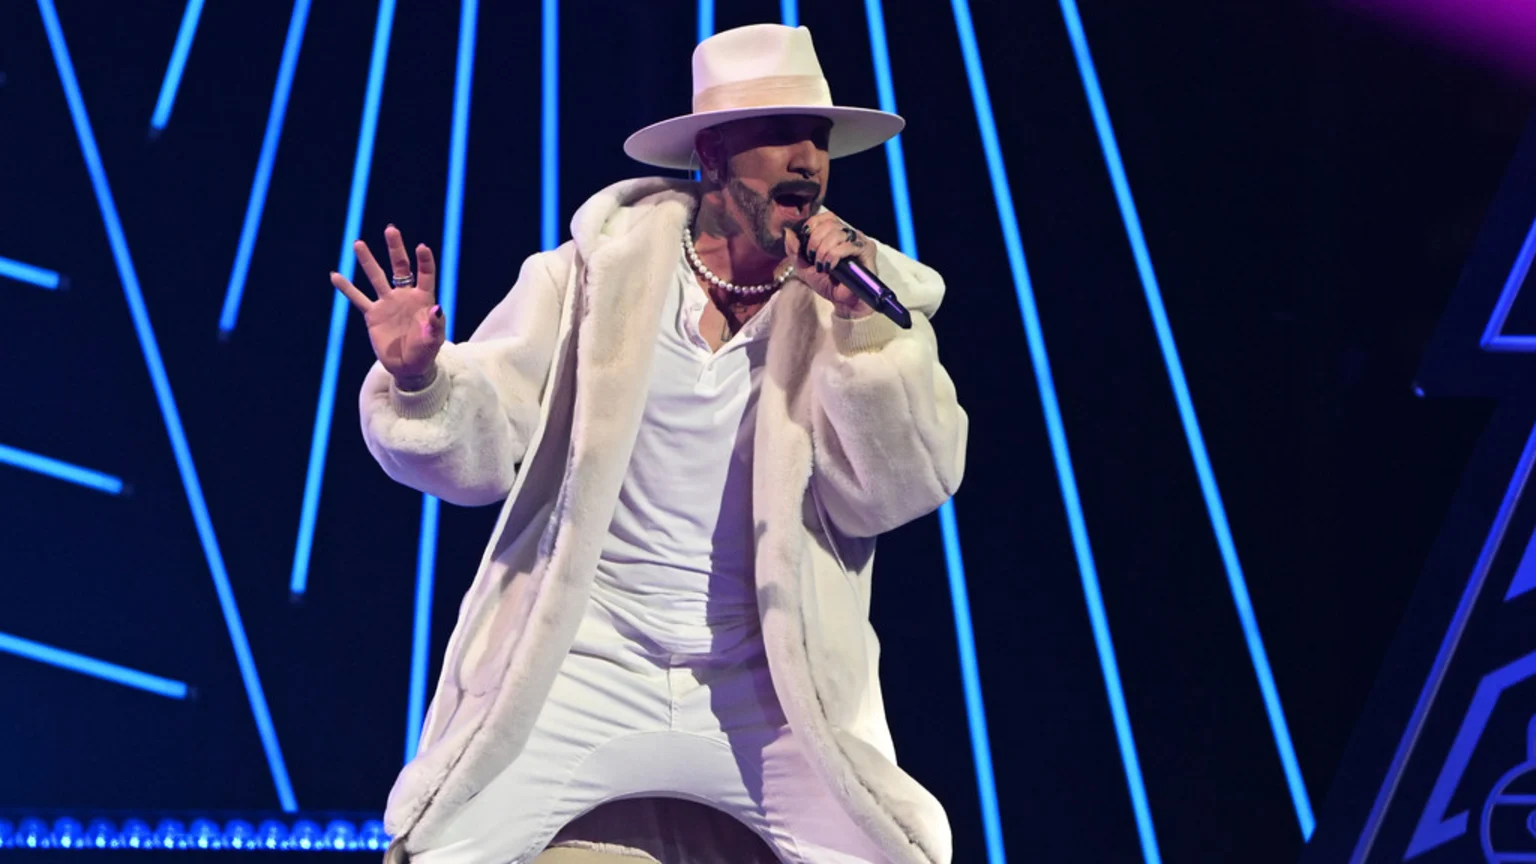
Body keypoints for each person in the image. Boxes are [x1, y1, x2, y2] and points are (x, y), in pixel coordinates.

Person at [332, 23, 967, 864]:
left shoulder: (855, 306)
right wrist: (421, 382)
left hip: (763, 680)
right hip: (593, 655)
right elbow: (484, 439)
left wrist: (861, 335)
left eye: (817, 138)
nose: (806, 160)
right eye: (775, 135)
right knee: (444, 849)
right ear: (710, 155)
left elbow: (899, 489)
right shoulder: (588, 279)